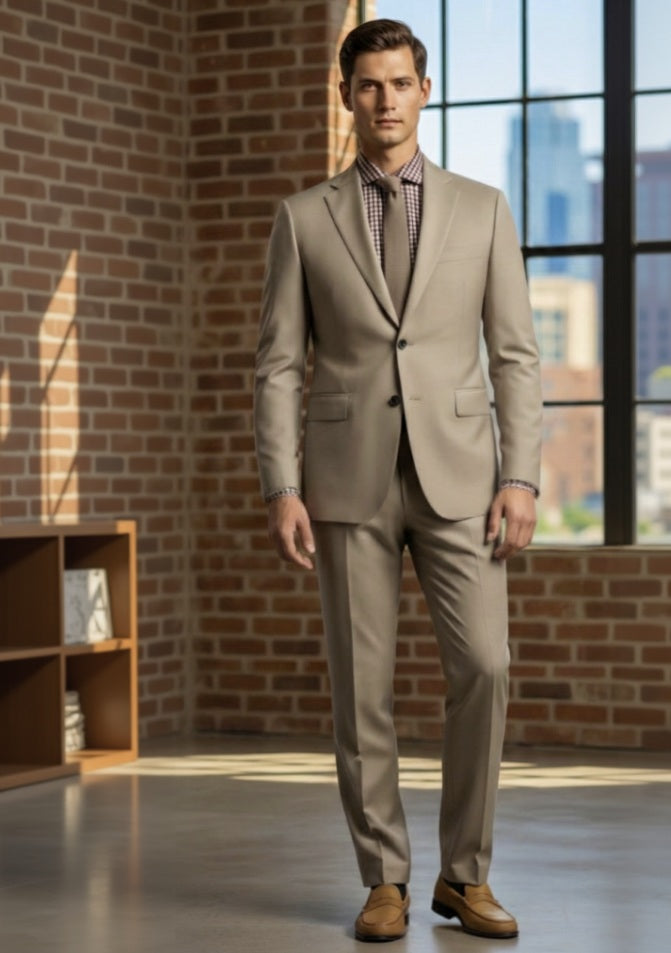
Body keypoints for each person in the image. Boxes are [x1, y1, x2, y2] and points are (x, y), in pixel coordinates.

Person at [254, 17, 542, 943]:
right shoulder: (304, 218)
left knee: (485, 668)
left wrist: (523, 476)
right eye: (367, 85)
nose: (385, 100)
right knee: (361, 687)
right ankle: (383, 879)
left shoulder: (482, 207)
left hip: (462, 476)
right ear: (346, 96)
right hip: (346, 481)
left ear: (427, 91)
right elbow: (278, 365)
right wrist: (280, 484)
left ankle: (464, 878)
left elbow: (516, 356)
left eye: (400, 83)